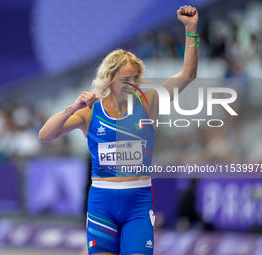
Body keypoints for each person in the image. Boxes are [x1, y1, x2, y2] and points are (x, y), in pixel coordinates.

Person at [39, 5, 198, 255]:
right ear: (111, 79)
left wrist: (191, 30)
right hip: (103, 203)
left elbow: (188, 74)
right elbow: (45, 136)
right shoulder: (89, 112)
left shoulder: (149, 101)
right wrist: (71, 109)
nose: (133, 84)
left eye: (136, 78)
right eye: (126, 79)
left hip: (138, 203)